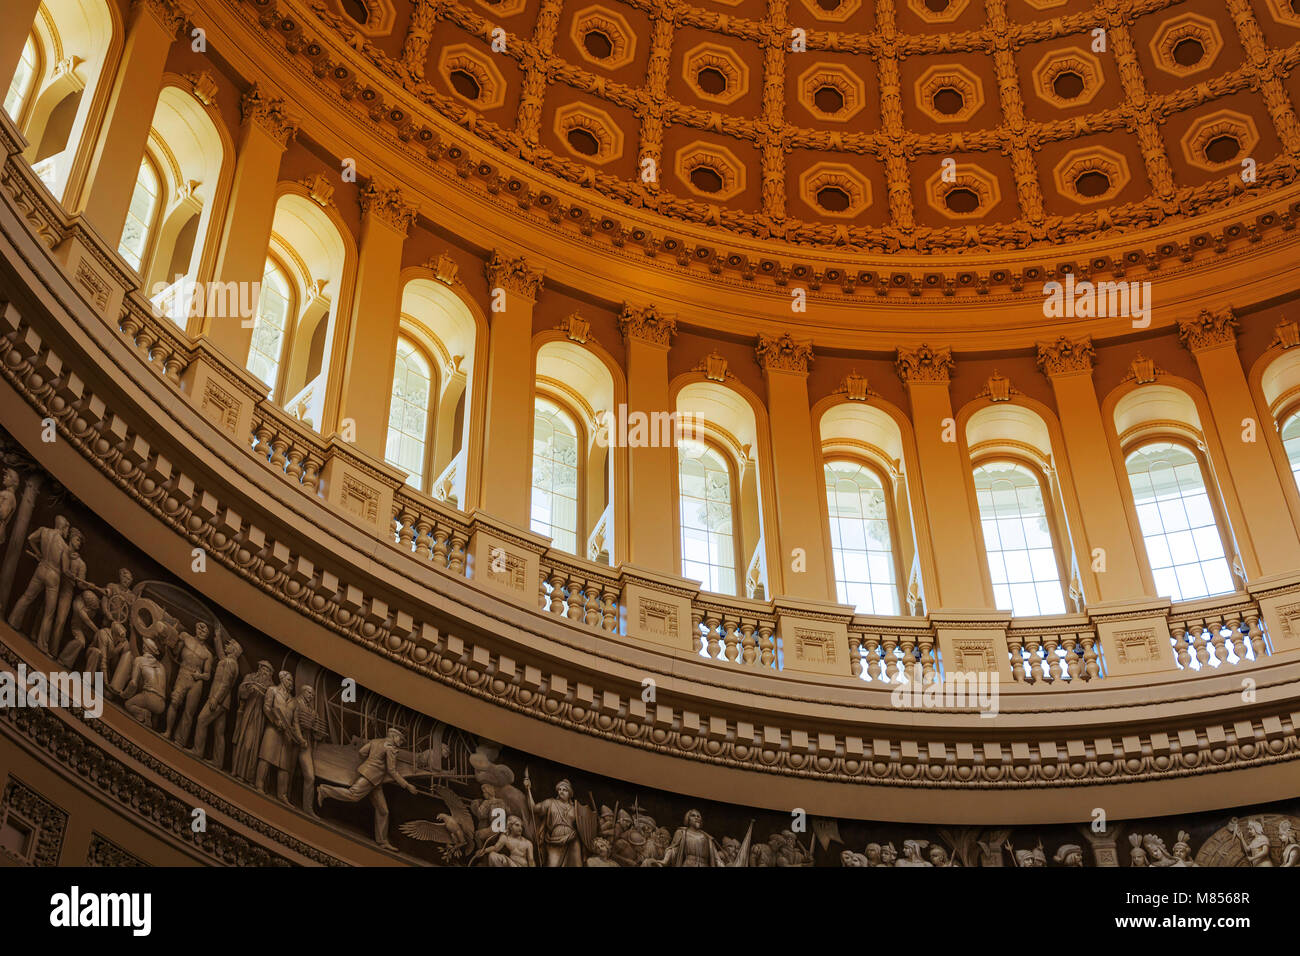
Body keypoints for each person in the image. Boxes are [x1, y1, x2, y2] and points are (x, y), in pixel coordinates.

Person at [316, 727, 419, 850]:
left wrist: (370, 763)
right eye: (400, 740)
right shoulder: (390, 749)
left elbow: (361, 752)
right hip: (370, 778)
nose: (401, 743)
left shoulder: (375, 741)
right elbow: (392, 771)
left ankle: (382, 841)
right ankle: (324, 790)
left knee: (383, 811)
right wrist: (407, 785)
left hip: (374, 780)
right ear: (393, 736)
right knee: (353, 795)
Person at [7, 515, 70, 653]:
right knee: (49, 612)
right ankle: (42, 645)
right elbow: (65, 570)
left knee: (27, 597)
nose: (67, 532)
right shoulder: (64, 547)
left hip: (41, 568)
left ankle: (13, 621)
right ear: (63, 527)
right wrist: (73, 576)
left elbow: (30, 538)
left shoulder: (44, 531)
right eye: (67, 528)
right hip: (53, 575)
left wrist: (38, 553)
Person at [190, 637, 242, 766]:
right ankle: (218, 761)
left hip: (218, 700)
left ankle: (198, 751)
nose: (227, 645)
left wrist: (215, 699)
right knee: (219, 732)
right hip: (224, 702)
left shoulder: (229, 663)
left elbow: (225, 684)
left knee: (201, 720)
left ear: (234, 650)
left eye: (229, 645)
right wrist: (218, 637)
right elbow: (220, 654)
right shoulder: (231, 662)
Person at [164, 621, 214, 747]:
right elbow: (175, 652)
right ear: (196, 628)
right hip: (184, 672)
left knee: (189, 712)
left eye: (205, 631)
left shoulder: (207, 654)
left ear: (208, 635)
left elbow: (208, 675)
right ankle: (168, 731)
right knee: (175, 701)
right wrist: (172, 637)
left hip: (197, 681)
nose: (202, 632)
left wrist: (200, 676)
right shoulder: (186, 637)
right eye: (200, 628)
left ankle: (180, 741)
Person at [523, 774, 585, 867]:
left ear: (570, 793)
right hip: (554, 839)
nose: (561, 792)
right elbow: (533, 808)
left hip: (572, 839)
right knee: (552, 864)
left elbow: (583, 826)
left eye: (564, 790)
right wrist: (528, 790)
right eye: (559, 789)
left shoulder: (576, 808)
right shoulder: (550, 803)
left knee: (575, 864)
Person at [255, 671, 297, 804]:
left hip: (286, 736)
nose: (291, 683)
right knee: (266, 757)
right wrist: (275, 721)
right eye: (289, 680)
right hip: (273, 730)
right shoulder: (272, 690)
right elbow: (267, 708)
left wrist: (296, 735)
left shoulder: (294, 701)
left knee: (284, 765)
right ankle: (259, 785)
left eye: (292, 681)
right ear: (282, 679)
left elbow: (295, 722)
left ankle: (282, 794)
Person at [230, 661, 274, 782]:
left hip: (258, 717)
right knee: (239, 740)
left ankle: (244, 774)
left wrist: (260, 691)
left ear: (270, 674)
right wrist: (247, 690)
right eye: (263, 668)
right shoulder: (249, 677)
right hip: (245, 713)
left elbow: (271, 703)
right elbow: (241, 694)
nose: (264, 672)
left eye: (267, 670)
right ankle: (235, 770)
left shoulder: (271, 686)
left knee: (250, 743)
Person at [122, 638, 167, 725]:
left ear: (144, 647)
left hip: (149, 697)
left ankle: (143, 713)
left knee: (128, 704)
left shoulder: (139, 660)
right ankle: (149, 718)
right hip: (161, 705)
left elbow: (133, 684)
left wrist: (124, 695)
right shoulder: (162, 666)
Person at [656, 809, 722, 867]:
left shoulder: (707, 837)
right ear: (688, 819)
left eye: (698, 816)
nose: (696, 818)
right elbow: (673, 849)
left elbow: (716, 858)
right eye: (693, 815)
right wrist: (665, 861)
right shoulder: (682, 833)